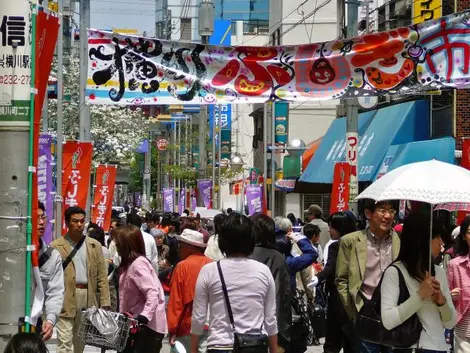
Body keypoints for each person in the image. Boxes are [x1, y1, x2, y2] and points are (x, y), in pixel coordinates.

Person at [191, 213, 278, 353]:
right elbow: (270, 319)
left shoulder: (209, 271)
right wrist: (274, 349)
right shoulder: (263, 271)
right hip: (254, 346)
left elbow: (198, 317)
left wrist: (193, 348)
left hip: (220, 346)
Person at [381, 213, 456, 352]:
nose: (442, 243)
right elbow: (388, 320)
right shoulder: (395, 272)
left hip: (438, 348)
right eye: (437, 237)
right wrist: (419, 296)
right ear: (422, 240)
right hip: (410, 348)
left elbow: (450, 323)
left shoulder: (439, 272)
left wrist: (441, 301)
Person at [335, 200, 400, 353]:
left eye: (391, 211)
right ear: (368, 213)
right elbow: (342, 280)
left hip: (395, 314)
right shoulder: (350, 241)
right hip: (365, 314)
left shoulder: (400, 241)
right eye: (382, 210)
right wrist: (354, 312)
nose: (387, 216)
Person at [50, 206, 110, 353]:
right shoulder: (56, 246)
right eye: (75, 221)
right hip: (65, 295)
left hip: (87, 297)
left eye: (82, 221)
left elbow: (102, 277)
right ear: (67, 223)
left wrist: (105, 302)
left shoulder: (94, 246)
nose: (79, 225)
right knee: (64, 342)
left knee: (79, 342)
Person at [309, 212, 358, 353]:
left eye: (332, 227)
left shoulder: (337, 246)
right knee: (353, 342)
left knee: (333, 342)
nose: (329, 230)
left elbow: (330, 268)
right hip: (357, 299)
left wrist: (318, 277)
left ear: (341, 227)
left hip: (338, 300)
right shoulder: (360, 244)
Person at [114, 225, 167, 353]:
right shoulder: (130, 264)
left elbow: (152, 292)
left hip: (145, 328)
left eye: (118, 243)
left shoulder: (138, 264)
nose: (116, 246)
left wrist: (145, 315)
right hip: (135, 325)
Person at [249, 213, 291, 353]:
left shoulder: (242, 254)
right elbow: (281, 297)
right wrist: (280, 335)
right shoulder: (276, 257)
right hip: (268, 329)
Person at [167, 228, 212, 352]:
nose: (178, 249)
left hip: (188, 325)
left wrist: (172, 329)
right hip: (210, 324)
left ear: (191, 247)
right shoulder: (212, 264)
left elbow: (176, 302)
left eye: (181, 246)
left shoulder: (182, 267)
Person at [36, 202, 64, 342]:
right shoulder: (10, 253)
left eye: (43, 218)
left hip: (36, 323)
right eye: (36, 218)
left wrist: (51, 320)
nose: (41, 222)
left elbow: (55, 292)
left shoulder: (53, 256)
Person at [447, 215, 470, 352]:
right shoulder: (454, 265)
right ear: (463, 236)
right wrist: (450, 295)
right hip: (463, 334)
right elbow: (444, 299)